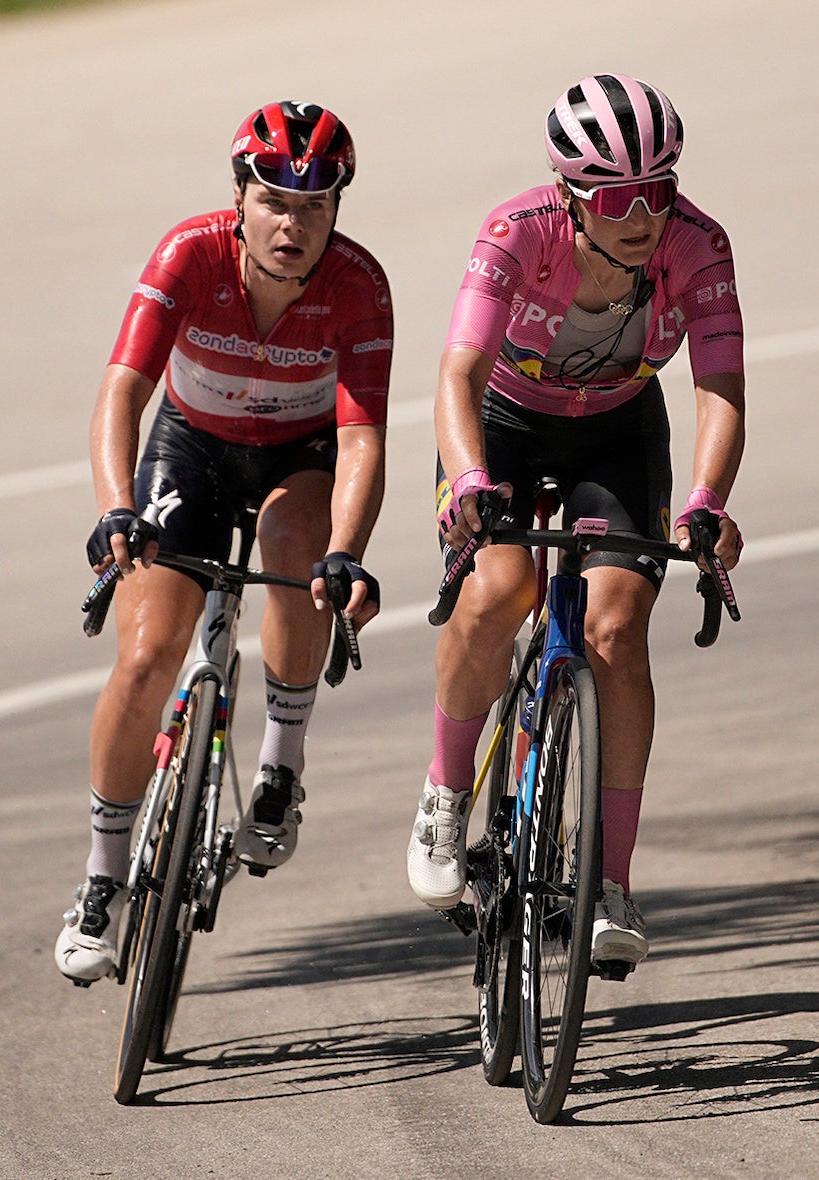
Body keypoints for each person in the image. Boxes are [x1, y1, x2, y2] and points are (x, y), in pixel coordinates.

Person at [409, 74, 745, 972]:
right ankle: (445, 792)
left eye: (659, 191)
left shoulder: (699, 247)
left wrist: (707, 501)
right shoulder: (517, 235)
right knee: (503, 585)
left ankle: (611, 882)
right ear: (569, 194)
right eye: (615, 198)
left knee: (616, 625)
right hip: (506, 426)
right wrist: (470, 478)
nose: (642, 216)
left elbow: (720, 390)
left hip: (619, 426)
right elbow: (458, 375)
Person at [54, 101, 391, 984]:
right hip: (193, 447)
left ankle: (281, 765)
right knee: (146, 654)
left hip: (299, 457)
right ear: (239, 197)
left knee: (295, 541)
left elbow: (361, 438)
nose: (293, 223)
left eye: (315, 206)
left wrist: (345, 549)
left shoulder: (358, 284)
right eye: (275, 199)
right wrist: (116, 506)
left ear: (337, 212)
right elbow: (122, 391)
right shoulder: (187, 254)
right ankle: (100, 880)